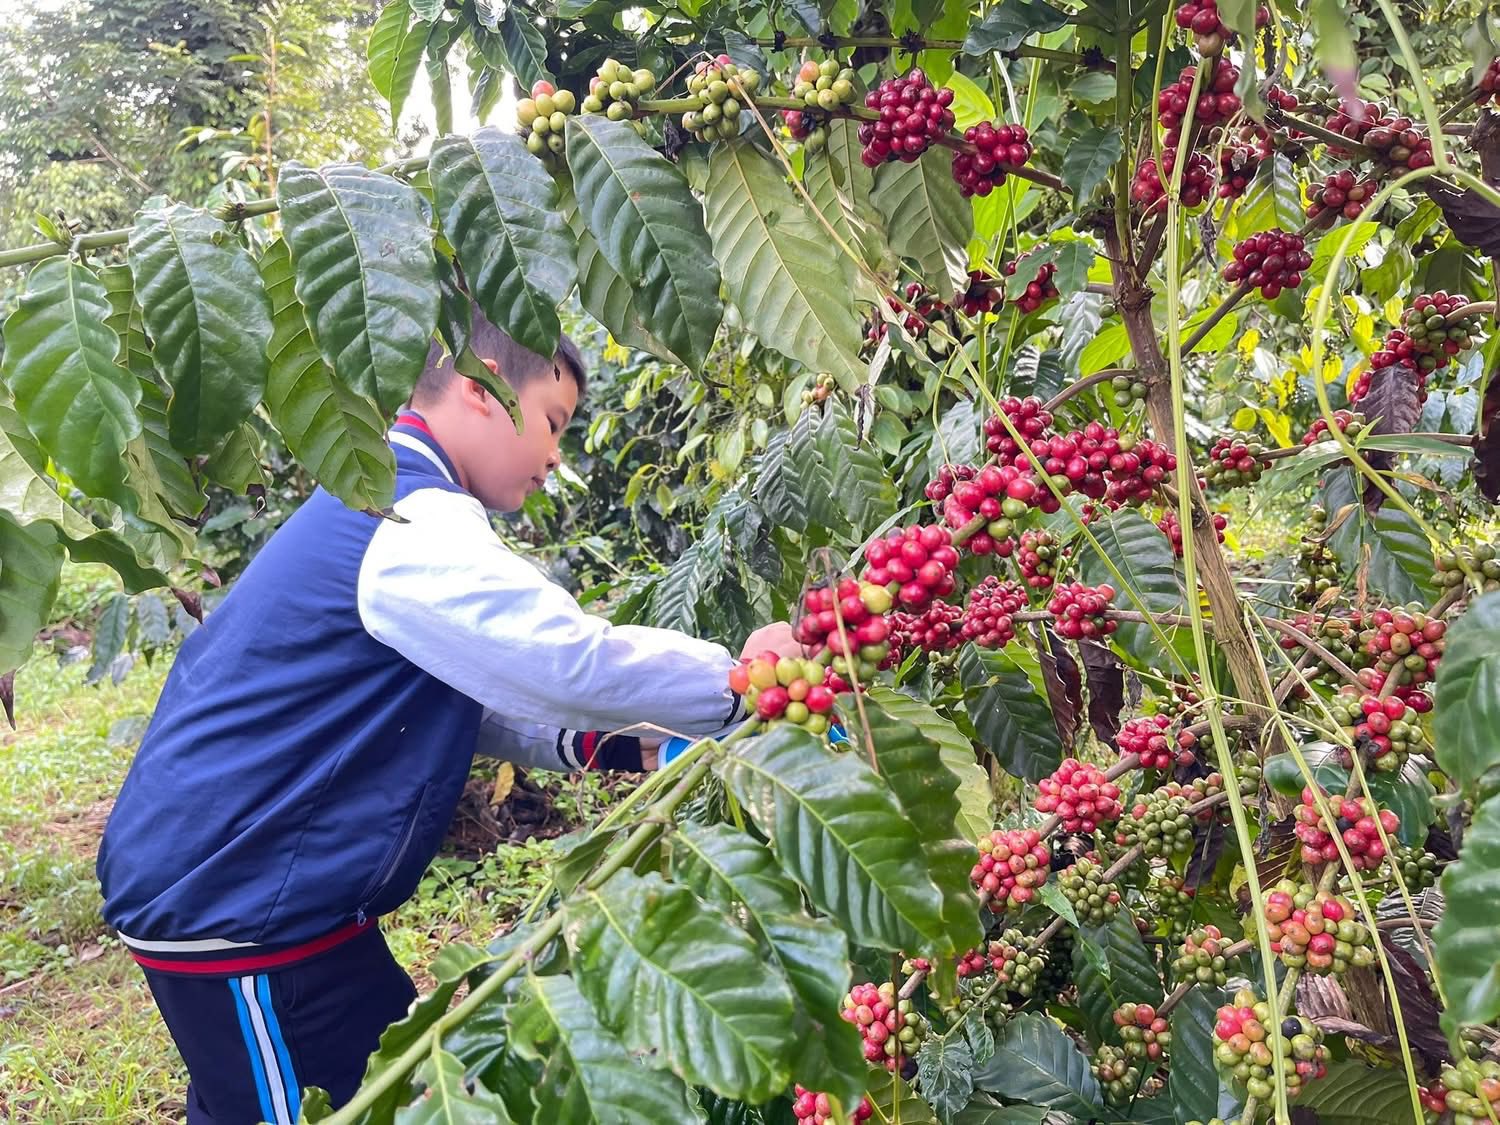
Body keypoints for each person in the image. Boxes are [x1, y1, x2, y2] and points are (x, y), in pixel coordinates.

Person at [96, 309, 797, 1124]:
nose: (556, 455)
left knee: (384, 1083)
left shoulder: (383, 500)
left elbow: (478, 702)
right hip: (235, 903)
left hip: (288, 901)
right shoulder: (409, 521)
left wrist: (635, 748)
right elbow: (566, 660)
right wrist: (739, 681)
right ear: (480, 388)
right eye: (552, 421)